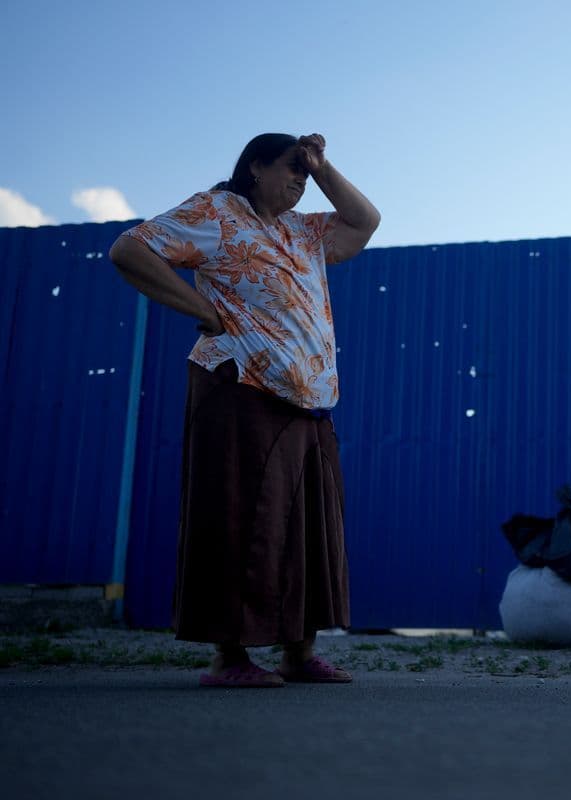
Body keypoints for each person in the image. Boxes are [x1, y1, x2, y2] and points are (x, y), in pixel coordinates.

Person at [110, 133, 381, 687]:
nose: (300, 183)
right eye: (291, 169)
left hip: (306, 403)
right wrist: (201, 308)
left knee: (307, 530)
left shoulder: (303, 231)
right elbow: (129, 250)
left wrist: (323, 167)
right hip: (240, 388)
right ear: (255, 167)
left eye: (306, 176)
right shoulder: (216, 212)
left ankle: (298, 654)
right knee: (238, 520)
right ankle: (228, 658)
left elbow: (365, 220)